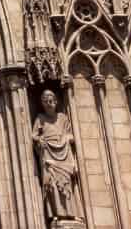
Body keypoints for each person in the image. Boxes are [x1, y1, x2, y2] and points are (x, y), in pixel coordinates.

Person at [32, 87, 82, 224]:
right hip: (49, 155)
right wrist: (40, 140)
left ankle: (71, 213)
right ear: (42, 103)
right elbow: (34, 136)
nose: (49, 103)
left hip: (64, 155)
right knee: (52, 184)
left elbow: (71, 135)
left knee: (67, 185)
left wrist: (66, 138)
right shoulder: (40, 119)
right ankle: (57, 214)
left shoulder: (62, 118)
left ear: (55, 101)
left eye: (51, 100)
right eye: (46, 101)